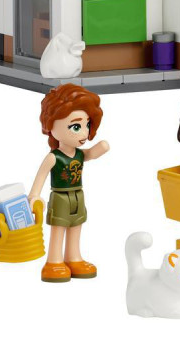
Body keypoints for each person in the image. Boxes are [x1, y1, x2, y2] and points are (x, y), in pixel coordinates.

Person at [29, 84, 110, 283]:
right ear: (51, 126)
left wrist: (102, 147)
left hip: (78, 195)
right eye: (76, 127)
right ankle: (54, 261)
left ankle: (73, 258)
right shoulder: (54, 157)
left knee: (76, 227)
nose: (83, 133)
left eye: (87, 125)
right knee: (58, 229)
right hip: (60, 197)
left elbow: (91, 154)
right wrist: (34, 195)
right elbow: (40, 176)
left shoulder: (79, 154)